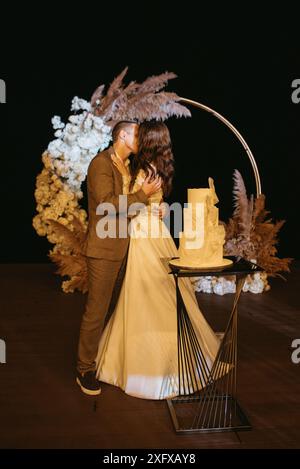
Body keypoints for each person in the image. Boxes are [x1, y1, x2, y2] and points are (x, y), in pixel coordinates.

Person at [95, 121, 221, 400]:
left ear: (149, 140)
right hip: (157, 234)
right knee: (160, 292)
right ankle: (173, 361)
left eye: (141, 135)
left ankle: (155, 365)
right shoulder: (158, 167)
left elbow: (133, 203)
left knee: (146, 293)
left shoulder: (142, 170)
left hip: (144, 234)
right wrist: (159, 205)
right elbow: (147, 200)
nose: (137, 139)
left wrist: (158, 205)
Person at [76, 120, 162, 396]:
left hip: (126, 248)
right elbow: (106, 205)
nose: (142, 138)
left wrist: (151, 207)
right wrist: (142, 195)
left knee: (116, 308)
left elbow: (130, 206)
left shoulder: (127, 166)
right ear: (123, 135)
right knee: (97, 311)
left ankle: (105, 360)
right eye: (138, 133)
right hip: (104, 250)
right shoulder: (101, 163)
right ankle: (84, 369)